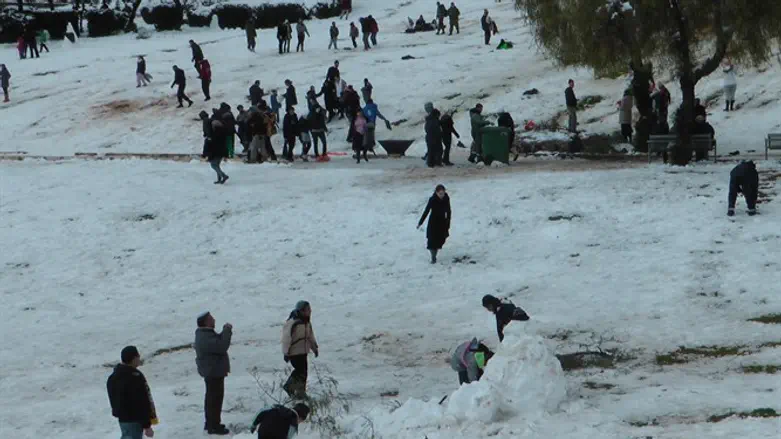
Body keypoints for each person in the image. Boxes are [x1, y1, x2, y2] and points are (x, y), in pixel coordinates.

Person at [107, 346, 158, 439]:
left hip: (123, 420)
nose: (139, 359)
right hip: (135, 420)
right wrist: (147, 425)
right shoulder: (135, 377)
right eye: (138, 356)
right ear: (134, 358)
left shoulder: (113, 377)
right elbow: (141, 401)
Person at [194, 312, 232, 434]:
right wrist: (227, 330)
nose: (214, 320)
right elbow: (221, 346)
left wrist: (224, 332)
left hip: (213, 371)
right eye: (211, 319)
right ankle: (213, 426)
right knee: (214, 400)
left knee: (213, 399)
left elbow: (218, 342)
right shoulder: (204, 336)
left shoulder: (205, 334)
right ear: (206, 322)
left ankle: (212, 423)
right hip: (213, 372)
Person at [281, 301, 319, 398]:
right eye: (307, 310)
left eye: (310, 309)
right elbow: (286, 339)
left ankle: (300, 391)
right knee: (299, 371)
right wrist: (286, 353)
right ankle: (289, 386)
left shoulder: (307, 322)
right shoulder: (292, 323)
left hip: (303, 351)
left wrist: (314, 347)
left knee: (303, 372)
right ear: (301, 311)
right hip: (294, 352)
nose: (310, 311)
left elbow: (310, 336)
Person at [417, 184, 451, 263]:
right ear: (436, 192)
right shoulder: (432, 199)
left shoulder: (446, 198)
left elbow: (449, 211)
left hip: (442, 222)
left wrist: (448, 222)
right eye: (440, 194)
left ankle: (435, 252)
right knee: (432, 241)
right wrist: (420, 222)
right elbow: (426, 211)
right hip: (433, 222)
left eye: (443, 193)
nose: (442, 195)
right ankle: (433, 257)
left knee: (441, 239)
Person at [204, 117, 230, 184]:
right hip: (222, 151)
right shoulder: (223, 132)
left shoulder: (213, 133)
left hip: (215, 152)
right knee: (217, 165)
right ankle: (219, 179)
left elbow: (211, 143)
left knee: (213, 165)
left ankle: (223, 176)